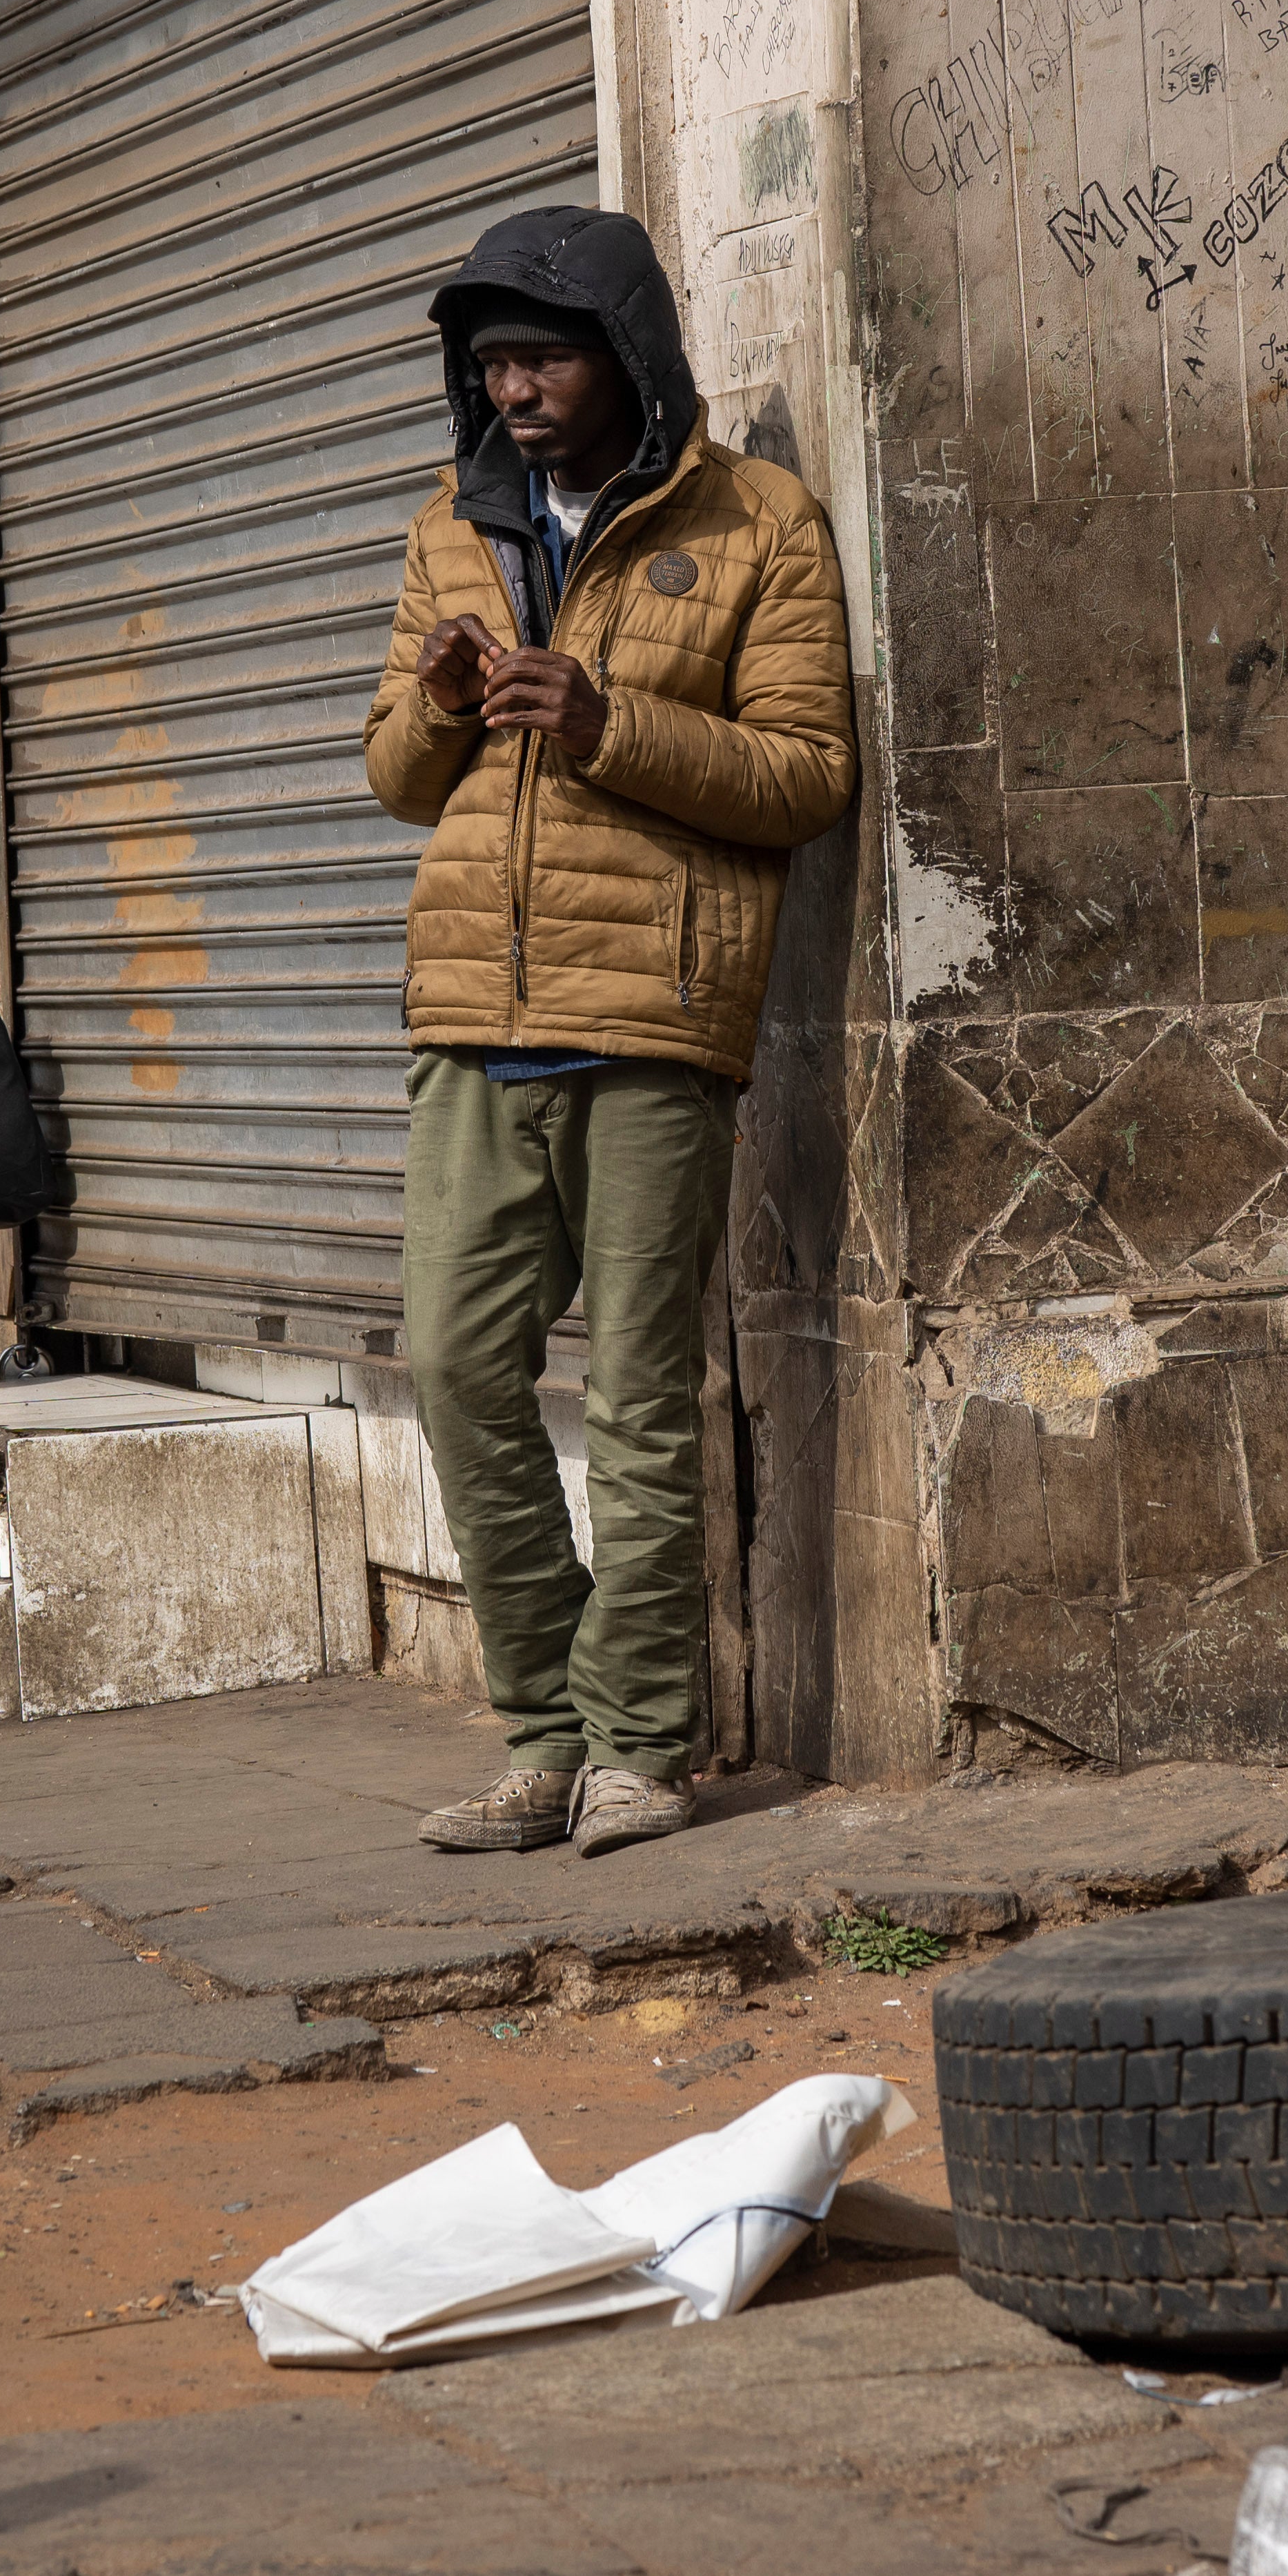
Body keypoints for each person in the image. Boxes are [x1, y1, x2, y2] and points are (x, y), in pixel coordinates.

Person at [363, 207, 854, 1861]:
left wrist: (608, 720)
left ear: (628, 351)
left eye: (544, 356)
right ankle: (542, 1733)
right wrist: (437, 703)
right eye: (491, 362)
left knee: (645, 1397)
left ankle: (640, 1743)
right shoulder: (452, 523)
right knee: (453, 1367)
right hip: (470, 1026)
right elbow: (389, 774)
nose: (512, 389)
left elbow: (804, 771)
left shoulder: (758, 522)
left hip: (651, 1019)